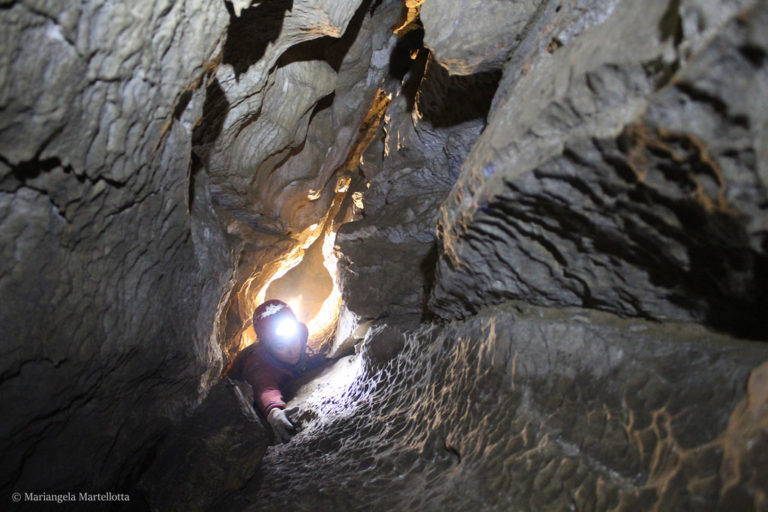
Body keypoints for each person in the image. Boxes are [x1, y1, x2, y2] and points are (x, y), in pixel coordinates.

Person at [231, 299, 313, 443]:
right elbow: (264, 388)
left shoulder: (300, 338)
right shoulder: (259, 364)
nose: (292, 350)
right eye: (281, 346)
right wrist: (273, 412)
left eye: (294, 341)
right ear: (268, 347)